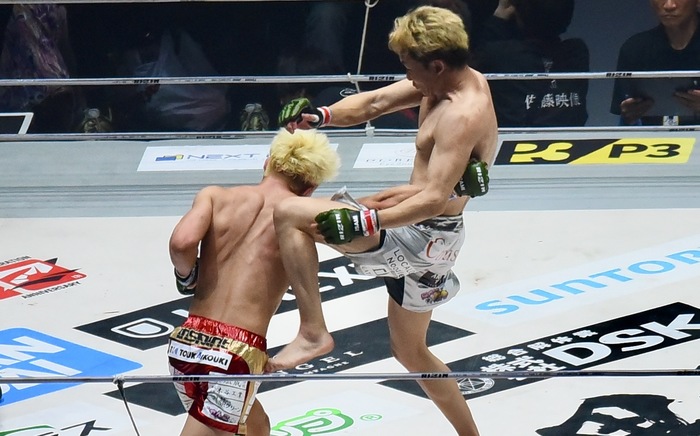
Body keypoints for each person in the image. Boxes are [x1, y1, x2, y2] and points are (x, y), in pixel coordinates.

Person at [269, 6, 498, 436]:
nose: (406, 76)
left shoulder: (462, 113)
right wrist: (320, 117)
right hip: (435, 241)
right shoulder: (449, 81)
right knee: (411, 353)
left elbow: (432, 200)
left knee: (289, 212)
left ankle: (313, 332)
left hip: (420, 235)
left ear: (436, 64)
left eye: (409, 67)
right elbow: (374, 102)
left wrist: (367, 222)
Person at [166, 128, 340, 436]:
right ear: (311, 188)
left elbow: (182, 243)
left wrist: (187, 276)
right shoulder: (299, 218)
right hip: (236, 351)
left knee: (257, 426)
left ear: (267, 162)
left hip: (186, 341)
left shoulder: (215, 196)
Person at [472, 0, 589, 127]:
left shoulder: (499, 55)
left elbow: (473, 62)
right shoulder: (577, 53)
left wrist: (498, 17)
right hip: (572, 140)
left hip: (513, 139)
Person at [611, 0, 700, 126]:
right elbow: (623, 121)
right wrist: (630, 116)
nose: (669, 5)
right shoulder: (635, 49)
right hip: (652, 137)